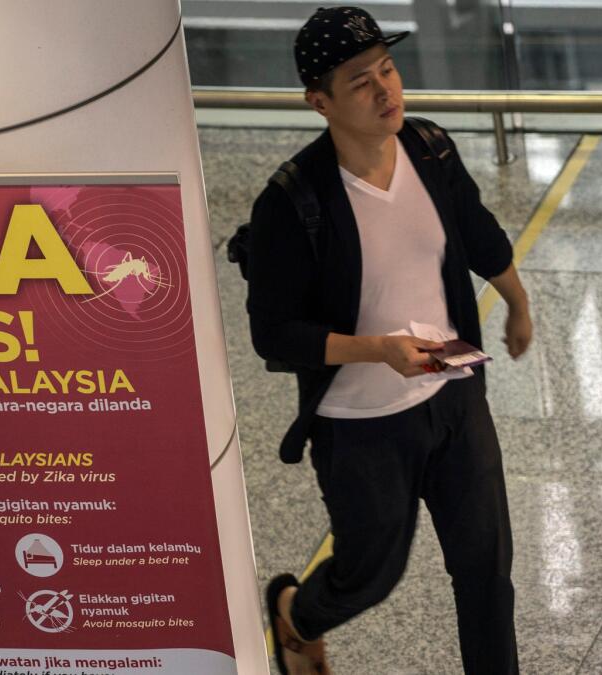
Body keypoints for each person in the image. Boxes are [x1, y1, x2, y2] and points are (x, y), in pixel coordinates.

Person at [246, 7, 532, 674]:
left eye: (389, 70)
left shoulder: (430, 148)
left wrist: (518, 302)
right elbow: (275, 334)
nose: (386, 91)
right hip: (362, 424)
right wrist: (379, 349)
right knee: (370, 574)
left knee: (487, 571)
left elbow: (479, 234)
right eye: (360, 83)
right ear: (319, 102)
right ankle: (297, 612)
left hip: (455, 396)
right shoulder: (291, 201)